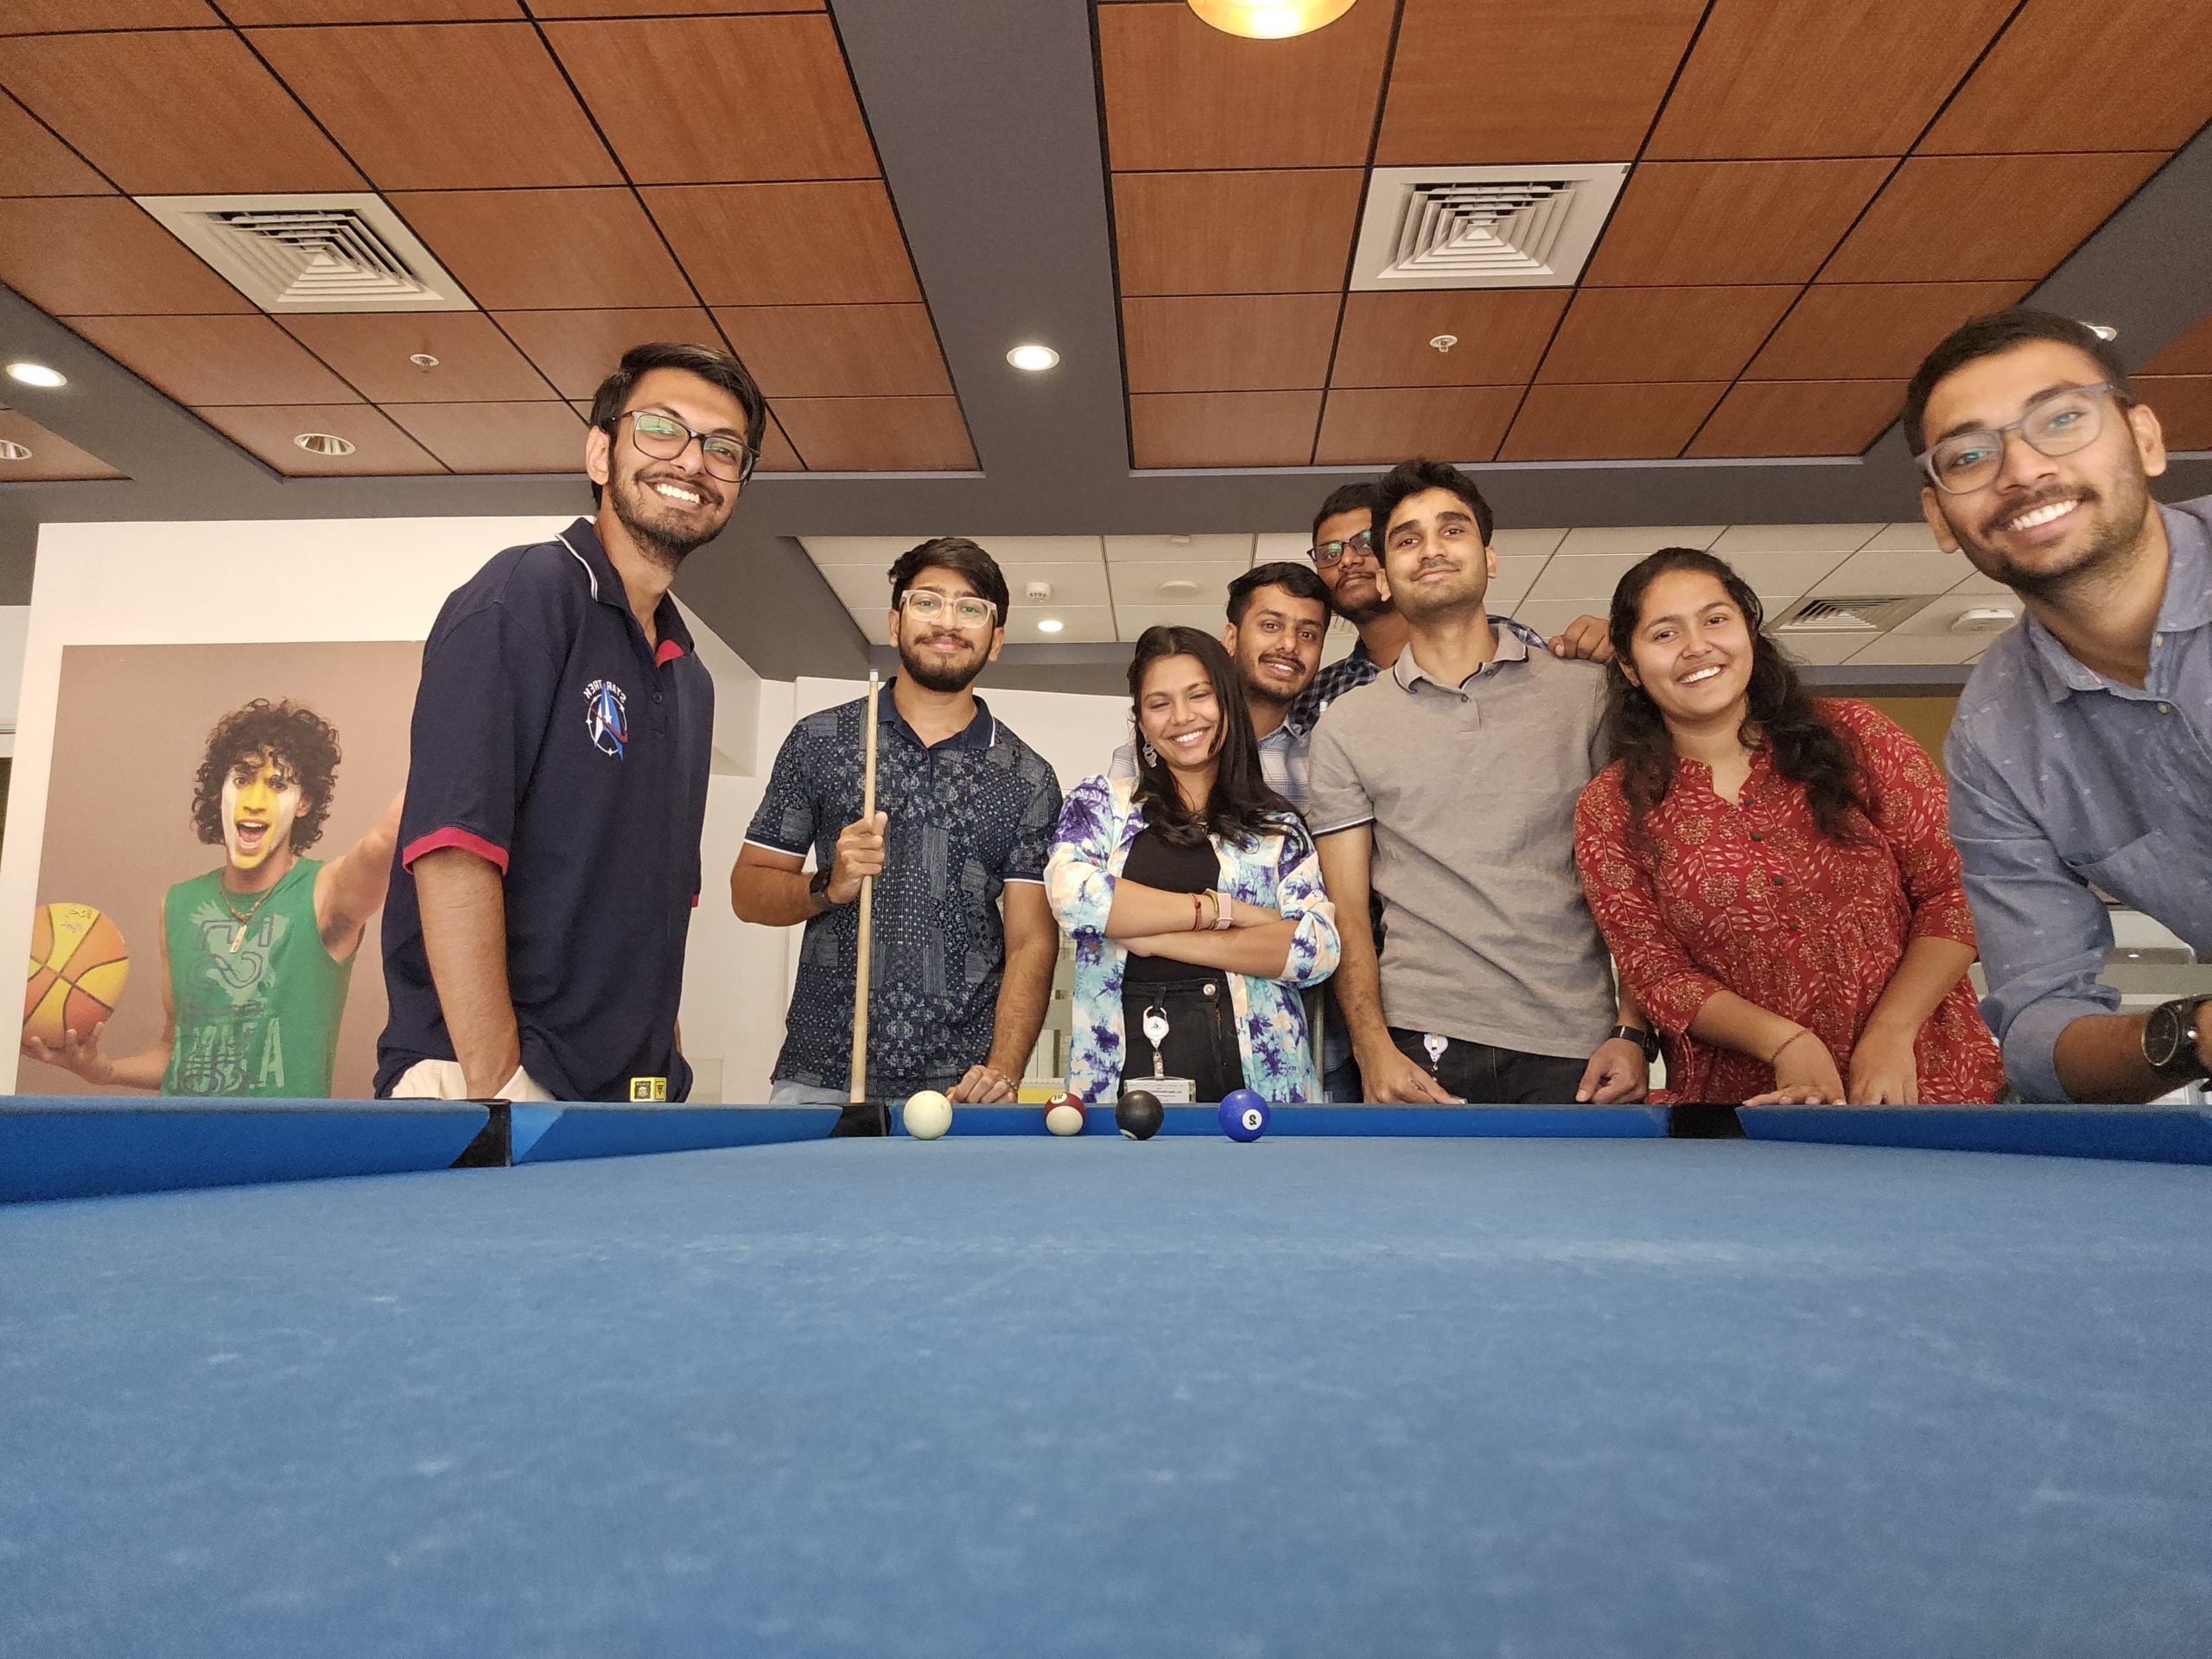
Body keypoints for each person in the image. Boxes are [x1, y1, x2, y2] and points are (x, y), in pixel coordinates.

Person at [377, 340, 764, 1103]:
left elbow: (658, 908)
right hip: (492, 1083)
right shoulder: (523, 596)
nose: (691, 462)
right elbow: (453, 850)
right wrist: (501, 1087)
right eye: (661, 428)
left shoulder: (691, 680)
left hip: (625, 1096)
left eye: (724, 449)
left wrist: (663, 1067)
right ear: (600, 451)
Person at [1909, 308, 2212, 1102]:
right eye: (1969, 455)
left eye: (2061, 419)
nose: (2022, 469)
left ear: (2144, 438)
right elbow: (2040, 1031)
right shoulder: (1994, 738)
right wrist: (2195, 1035)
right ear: (1942, 519)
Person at [1574, 550, 2004, 1106]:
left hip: (1924, 1081)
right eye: (1664, 633)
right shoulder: (1610, 806)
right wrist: (1786, 1045)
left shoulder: (1858, 738)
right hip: (1743, 1110)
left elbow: (1956, 892)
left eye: (1715, 619)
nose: (1697, 646)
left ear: (1749, 631)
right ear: (1631, 667)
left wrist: (1891, 1033)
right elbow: (1658, 974)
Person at [1307, 459, 1652, 1106]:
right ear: (1383, 573)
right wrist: (1371, 1049)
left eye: (1452, 530)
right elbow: (1347, 914)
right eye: (1406, 539)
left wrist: (1634, 1028)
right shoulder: (1345, 728)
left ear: (1489, 557)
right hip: (1420, 1047)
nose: (1430, 549)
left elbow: (1635, 874)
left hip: (1574, 1046)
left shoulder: (1587, 697)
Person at [732, 537, 1064, 1111]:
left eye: (971, 608)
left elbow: (1032, 940)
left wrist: (1004, 1071)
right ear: (894, 623)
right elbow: (749, 892)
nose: (948, 622)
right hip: (824, 1075)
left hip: (961, 1088)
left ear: (996, 640)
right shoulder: (822, 742)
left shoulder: (1027, 777)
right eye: (927, 601)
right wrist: (827, 886)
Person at [24, 698, 399, 1097]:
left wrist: (447, 756)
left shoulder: (325, 893)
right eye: (241, 780)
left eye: (277, 784)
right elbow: (178, 1050)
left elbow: (381, 845)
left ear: (305, 802)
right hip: (184, 1149)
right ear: (219, 790)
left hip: (282, 1154)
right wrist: (105, 1070)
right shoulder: (178, 904)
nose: (255, 800)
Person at [1047, 626, 1338, 1103]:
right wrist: (1231, 915)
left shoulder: (1277, 828)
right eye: (1159, 704)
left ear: (1226, 703)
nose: (1182, 717)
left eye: (1199, 696)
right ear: (1141, 723)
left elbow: (1316, 949)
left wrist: (1158, 936)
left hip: (1262, 1091)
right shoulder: (1101, 806)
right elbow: (1078, 901)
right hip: (1117, 1084)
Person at [1287, 482, 1613, 735]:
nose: (1347, 560)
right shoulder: (1317, 693)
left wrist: (1615, 650)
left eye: (1366, 541)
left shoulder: (1509, 641)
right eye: (1329, 552)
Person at [1110, 560, 1331, 810]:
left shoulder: (1320, 765)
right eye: (1271, 626)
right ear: (1231, 638)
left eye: (1307, 634)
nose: (1290, 644)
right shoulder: (1152, 752)